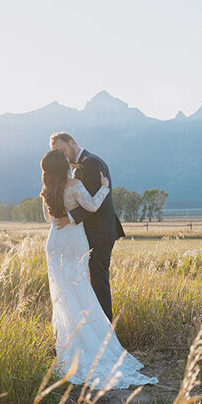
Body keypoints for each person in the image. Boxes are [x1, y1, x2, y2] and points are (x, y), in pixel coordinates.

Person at [40, 148, 156, 389]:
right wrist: (104, 187)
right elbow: (92, 206)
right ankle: (90, 342)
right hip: (74, 241)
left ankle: (68, 343)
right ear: (64, 166)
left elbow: (47, 219)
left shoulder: (45, 191)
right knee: (81, 289)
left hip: (54, 242)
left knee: (62, 295)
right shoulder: (74, 184)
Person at [48, 132, 124, 320]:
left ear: (72, 143)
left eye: (61, 150)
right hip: (83, 235)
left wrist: (70, 218)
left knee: (99, 283)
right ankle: (91, 327)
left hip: (100, 233)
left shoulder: (92, 163)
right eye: (56, 152)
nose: (60, 155)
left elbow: (92, 203)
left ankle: (106, 332)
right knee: (86, 284)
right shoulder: (76, 168)